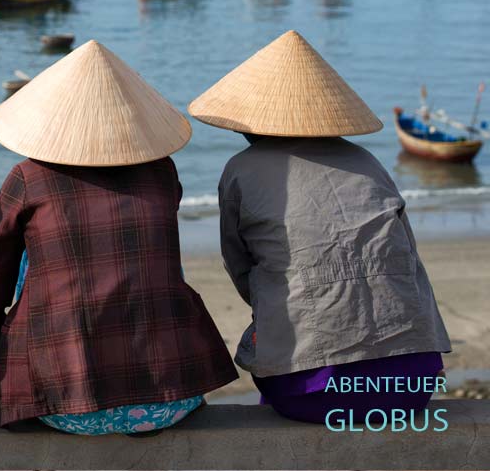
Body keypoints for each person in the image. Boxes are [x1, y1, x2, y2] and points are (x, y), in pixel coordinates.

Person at [0, 40, 237, 435]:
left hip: (63, 406)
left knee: (36, 259)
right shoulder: (162, 172)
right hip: (167, 401)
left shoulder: (29, 177)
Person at [188, 30, 451, 424]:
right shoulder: (367, 162)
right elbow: (409, 260)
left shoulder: (241, 171)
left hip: (310, 392)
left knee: (268, 341)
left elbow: (241, 269)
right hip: (410, 386)